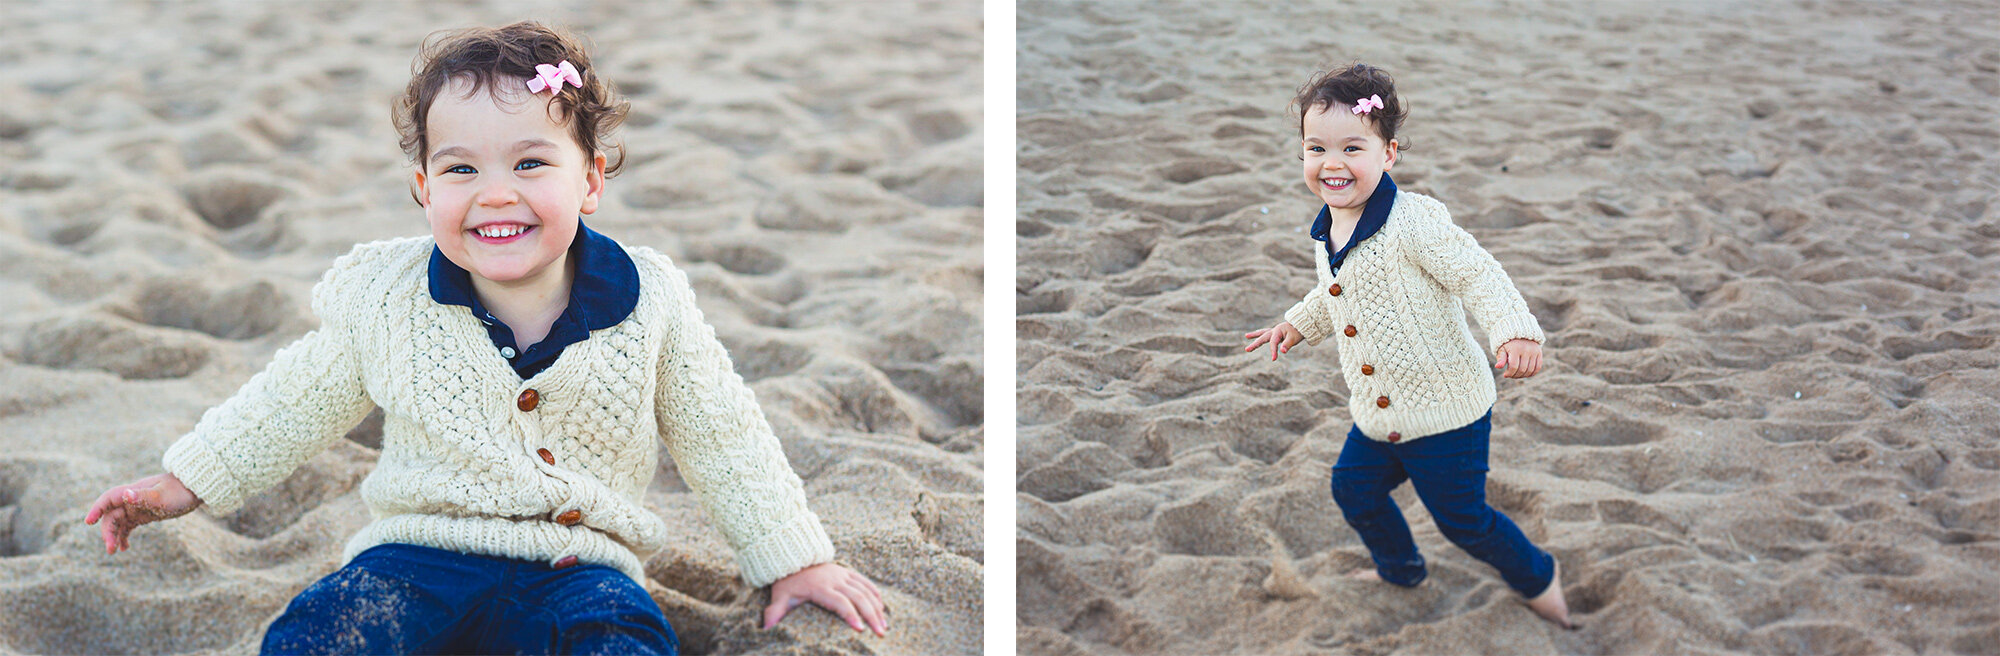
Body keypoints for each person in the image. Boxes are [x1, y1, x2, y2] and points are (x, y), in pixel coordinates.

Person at [82, 21, 887, 654]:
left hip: (583, 569)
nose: (495, 194)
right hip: (414, 558)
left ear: (592, 180)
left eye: (531, 163)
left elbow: (722, 434)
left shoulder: (651, 301)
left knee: (625, 643)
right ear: (424, 188)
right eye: (462, 170)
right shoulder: (388, 297)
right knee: (316, 635)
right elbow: (293, 400)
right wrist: (184, 481)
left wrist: (794, 557)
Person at [1242, 63, 1573, 630]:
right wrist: (1296, 324)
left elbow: (1477, 275)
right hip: (1380, 413)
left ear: (1388, 153)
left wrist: (1514, 329)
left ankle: (1540, 578)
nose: (1332, 163)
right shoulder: (1329, 226)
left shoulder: (1414, 221)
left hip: (1447, 413)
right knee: (1353, 489)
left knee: (1463, 520)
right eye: (1316, 148)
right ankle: (1401, 567)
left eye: (1353, 147)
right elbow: (1335, 293)